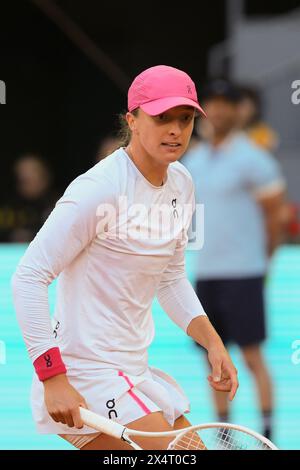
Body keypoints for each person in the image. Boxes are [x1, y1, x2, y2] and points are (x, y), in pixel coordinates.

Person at [11, 65, 238, 451]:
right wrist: (53, 378)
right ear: (132, 120)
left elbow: (170, 277)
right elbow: (28, 277)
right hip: (82, 377)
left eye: (184, 120)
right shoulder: (98, 189)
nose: (175, 130)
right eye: (162, 117)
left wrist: (213, 343)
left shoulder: (182, 182)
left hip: (133, 371)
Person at [182, 79, 285, 441]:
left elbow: (276, 215)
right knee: (213, 357)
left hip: (243, 272)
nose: (219, 110)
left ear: (239, 110)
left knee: (252, 356)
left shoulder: (253, 158)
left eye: (227, 103)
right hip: (207, 271)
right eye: (213, 102)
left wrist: (264, 258)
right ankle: (225, 436)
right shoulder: (193, 158)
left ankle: (267, 433)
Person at [0, 154, 60, 242]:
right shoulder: (7, 207)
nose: (26, 175)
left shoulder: (59, 204)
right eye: (23, 180)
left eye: (32, 177)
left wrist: (32, 235)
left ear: (45, 177)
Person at [236, 85, 279, 152]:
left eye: (245, 107)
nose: (239, 111)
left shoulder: (263, 133)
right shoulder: (223, 130)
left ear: (254, 109)